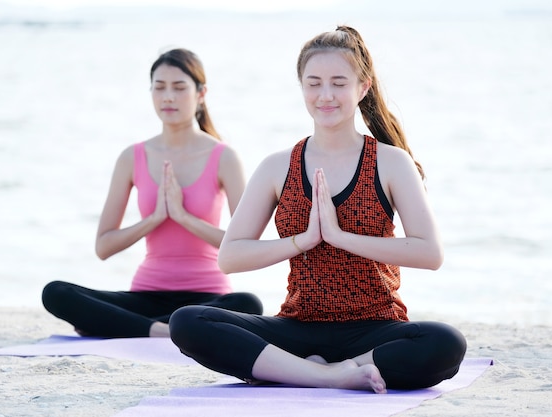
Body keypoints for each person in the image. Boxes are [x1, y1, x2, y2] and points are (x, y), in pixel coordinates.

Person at [169, 26, 466, 392]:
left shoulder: (391, 163)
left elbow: (429, 253)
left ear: (363, 87)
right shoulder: (278, 166)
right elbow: (231, 257)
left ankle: (320, 370)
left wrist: (341, 237)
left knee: (446, 343)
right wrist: (302, 240)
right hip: (297, 326)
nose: (326, 95)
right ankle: (329, 375)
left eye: (339, 83)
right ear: (302, 87)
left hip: (374, 329)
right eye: (314, 83)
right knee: (187, 321)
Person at [42, 48, 263, 338]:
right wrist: (154, 219)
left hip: (209, 295)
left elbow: (245, 246)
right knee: (55, 292)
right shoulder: (131, 157)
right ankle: (164, 329)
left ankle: (126, 327)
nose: (168, 97)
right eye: (159, 88)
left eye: (179, 87)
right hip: (145, 297)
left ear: (201, 93)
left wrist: (183, 217)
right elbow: (104, 247)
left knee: (249, 304)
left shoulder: (224, 157)